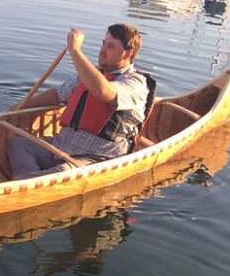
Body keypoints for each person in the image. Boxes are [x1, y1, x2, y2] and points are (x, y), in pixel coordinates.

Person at [8, 24, 151, 179]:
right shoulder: (91, 74)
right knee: (18, 144)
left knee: (63, 172)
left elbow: (103, 91)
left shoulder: (136, 83)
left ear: (127, 53)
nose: (102, 50)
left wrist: (75, 50)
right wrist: (18, 107)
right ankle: (27, 179)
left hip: (96, 156)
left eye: (110, 46)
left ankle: (28, 182)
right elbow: (57, 94)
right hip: (61, 144)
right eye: (103, 43)